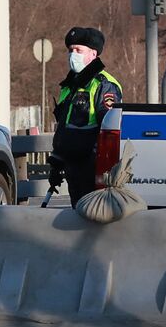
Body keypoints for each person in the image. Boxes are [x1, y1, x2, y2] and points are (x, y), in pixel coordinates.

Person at [48, 26, 122, 207]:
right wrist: (57, 162)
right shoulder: (69, 86)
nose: (73, 55)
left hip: (92, 167)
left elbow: (108, 127)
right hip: (72, 166)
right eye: (70, 50)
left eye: (78, 50)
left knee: (93, 217)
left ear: (93, 54)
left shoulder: (103, 84)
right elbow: (64, 128)